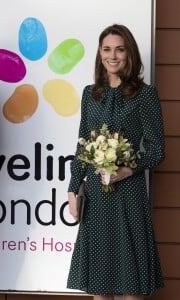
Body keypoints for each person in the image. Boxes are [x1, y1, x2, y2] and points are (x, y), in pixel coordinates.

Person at [66, 24, 165, 300]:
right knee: (100, 286)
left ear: (129, 53)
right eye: (107, 49)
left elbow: (157, 150)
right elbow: (82, 145)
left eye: (119, 49)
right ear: (100, 54)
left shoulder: (145, 95)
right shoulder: (90, 94)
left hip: (129, 195)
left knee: (131, 285)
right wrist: (73, 189)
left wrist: (127, 171)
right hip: (96, 196)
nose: (113, 56)